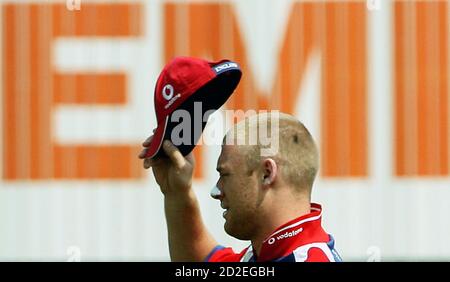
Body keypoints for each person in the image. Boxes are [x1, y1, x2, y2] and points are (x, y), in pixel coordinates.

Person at [138, 112, 342, 262]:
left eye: (224, 174)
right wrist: (176, 192)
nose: (216, 191)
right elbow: (197, 259)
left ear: (266, 173)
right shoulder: (261, 256)